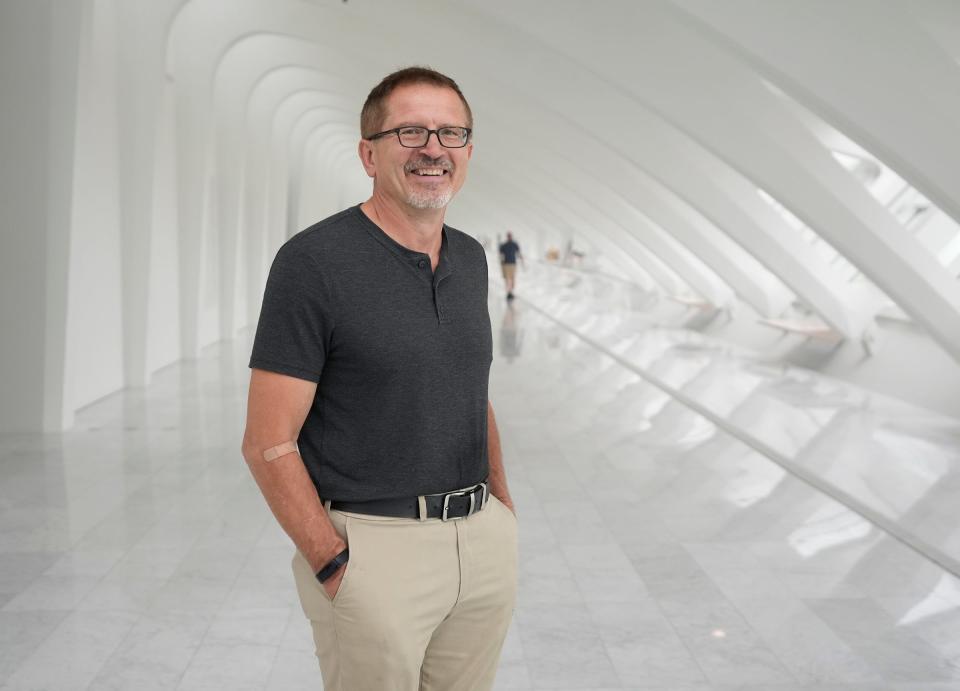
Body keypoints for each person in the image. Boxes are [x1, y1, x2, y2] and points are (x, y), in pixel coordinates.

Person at [240, 66, 518, 691]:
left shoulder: (471, 258)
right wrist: (333, 561)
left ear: (468, 152)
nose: (433, 150)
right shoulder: (315, 263)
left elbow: (473, 390)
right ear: (369, 153)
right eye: (410, 132)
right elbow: (266, 440)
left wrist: (501, 509)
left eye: (452, 133)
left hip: (480, 546)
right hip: (372, 549)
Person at [498, 232, 523, 299]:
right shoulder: (504, 245)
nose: (509, 237)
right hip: (507, 264)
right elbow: (501, 255)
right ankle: (509, 292)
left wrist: (522, 260)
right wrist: (501, 263)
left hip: (512, 264)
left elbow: (518, 253)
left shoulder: (514, 244)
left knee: (512, 279)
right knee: (508, 279)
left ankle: (511, 292)